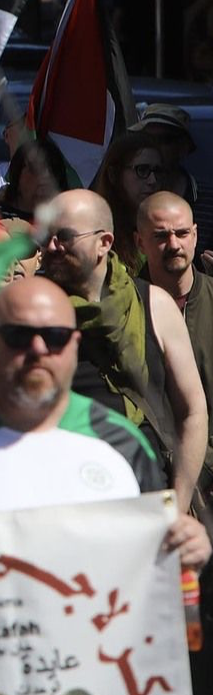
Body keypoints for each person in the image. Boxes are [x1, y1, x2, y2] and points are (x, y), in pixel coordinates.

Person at [0, 278, 210, 572]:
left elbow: (151, 567)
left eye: (55, 336)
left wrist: (183, 547)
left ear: (74, 346)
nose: (38, 348)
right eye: (19, 335)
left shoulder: (123, 445)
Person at [38, 187, 206, 507]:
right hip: (63, 497)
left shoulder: (154, 305)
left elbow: (193, 411)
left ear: (104, 243)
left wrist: (179, 503)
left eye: (64, 236)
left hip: (145, 494)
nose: (51, 246)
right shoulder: (33, 311)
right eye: (46, 236)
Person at [136, 191, 213, 499]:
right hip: (154, 478)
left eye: (182, 233)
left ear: (195, 235)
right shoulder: (125, 310)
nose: (174, 245)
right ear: (140, 242)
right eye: (160, 236)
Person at [92, 131, 168, 257]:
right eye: (142, 170)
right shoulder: (95, 230)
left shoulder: (169, 228)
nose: (153, 180)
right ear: (113, 174)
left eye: (157, 171)